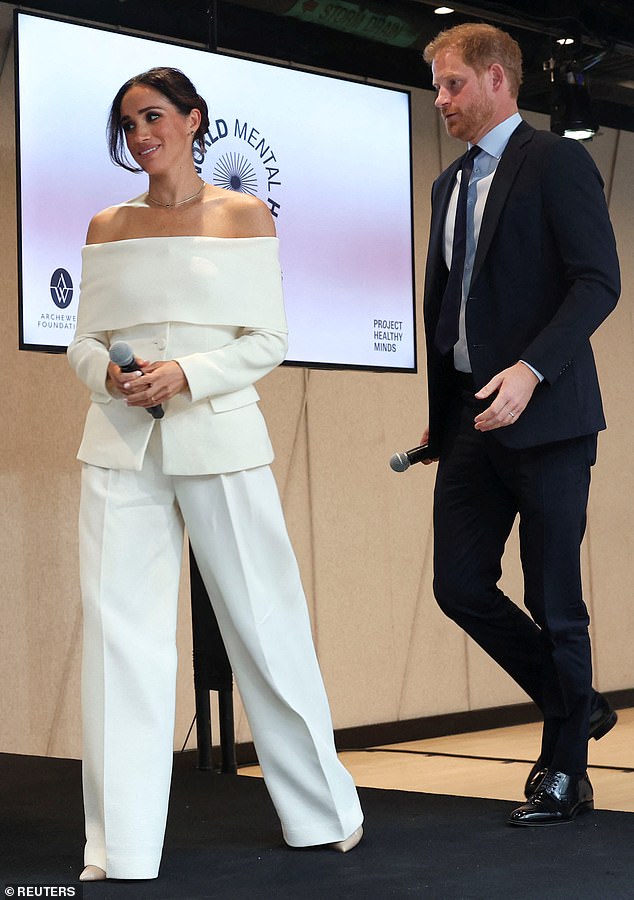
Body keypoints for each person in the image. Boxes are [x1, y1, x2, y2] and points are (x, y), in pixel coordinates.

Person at [68, 66, 363, 882]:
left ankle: (324, 813)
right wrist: (113, 375)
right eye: (127, 125)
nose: (140, 135)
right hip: (119, 443)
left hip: (220, 436)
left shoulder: (244, 214)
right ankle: (118, 848)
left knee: (267, 625)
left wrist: (186, 374)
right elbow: (84, 342)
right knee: (117, 642)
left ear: (195, 120)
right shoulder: (104, 224)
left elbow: (265, 340)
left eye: (153, 116)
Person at [419, 24, 620, 826]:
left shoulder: (556, 162)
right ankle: (577, 705)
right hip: (470, 418)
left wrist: (532, 370)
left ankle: (566, 772)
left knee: (555, 600)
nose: (441, 101)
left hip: (548, 418)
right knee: (459, 585)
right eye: (436, 87)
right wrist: (441, 421)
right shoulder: (448, 186)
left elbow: (597, 283)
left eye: (452, 85)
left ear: (498, 80)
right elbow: (445, 310)